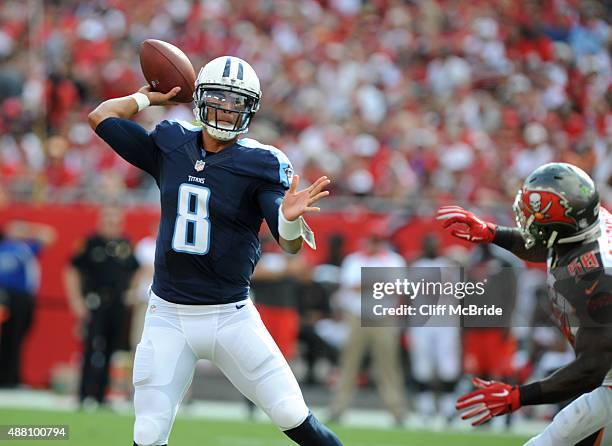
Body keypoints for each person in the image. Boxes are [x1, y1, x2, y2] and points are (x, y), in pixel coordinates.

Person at [88, 55, 342, 446]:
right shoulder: (172, 141)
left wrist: (289, 219)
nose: (226, 108)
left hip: (230, 316)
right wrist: (147, 99)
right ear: (199, 97)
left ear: (250, 109)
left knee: (292, 413)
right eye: (219, 98)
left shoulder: (262, 162)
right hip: (167, 314)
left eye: (237, 101)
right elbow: (101, 116)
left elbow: (290, 244)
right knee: (148, 431)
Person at [437, 162, 612, 445]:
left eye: (536, 217)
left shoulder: (598, 277)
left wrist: (518, 396)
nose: (527, 219)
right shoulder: (584, 229)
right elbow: (549, 245)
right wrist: (492, 233)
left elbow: (593, 366)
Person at [328, 226, 408, 425]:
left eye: (378, 240)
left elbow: (398, 289)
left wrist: (370, 282)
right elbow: (352, 286)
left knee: (388, 366)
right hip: (357, 316)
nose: (374, 243)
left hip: (384, 317)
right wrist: (378, 282)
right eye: (372, 239)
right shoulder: (355, 259)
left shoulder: (393, 259)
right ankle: (338, 409)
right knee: (349, 364)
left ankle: (397, 411)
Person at [64, 205, 140, 408]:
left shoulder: (125, 244)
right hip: (95, 302)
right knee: (91, 348)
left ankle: (101, 395)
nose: (112, 226)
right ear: (100, 222)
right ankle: (84, 395)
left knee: (111, 349)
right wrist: (76, 301)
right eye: (108, 221)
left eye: (116, 222)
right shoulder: (89, 243)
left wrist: (131, 292)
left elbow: (136, 270)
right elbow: (72, 270)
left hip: (117, 304)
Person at [0, 219, 56, 387]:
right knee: (6, 338)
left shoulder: (25, 247)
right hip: (3, 296)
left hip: (22, 298)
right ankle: (4, 376)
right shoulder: (3, 246)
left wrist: (28, 230)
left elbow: (49, 235)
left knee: (18, 337)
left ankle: (13, 377)